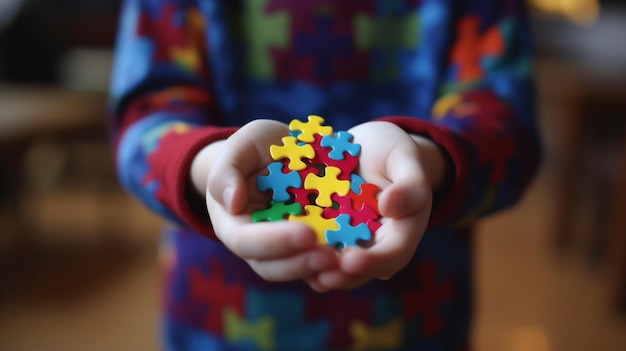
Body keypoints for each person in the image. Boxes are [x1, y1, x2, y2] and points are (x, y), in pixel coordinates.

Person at [108, 0, 541, 350]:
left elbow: (508, 132)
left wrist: (427, 161)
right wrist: (212, 166)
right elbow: (144, 122)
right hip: (216, 317)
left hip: (417, 318)